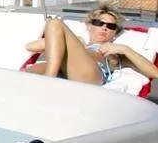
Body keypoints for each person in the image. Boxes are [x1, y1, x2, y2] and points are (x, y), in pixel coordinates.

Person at [24, 5, 158, 86]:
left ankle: (48, 82)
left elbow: (155, 73)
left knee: (55, 23)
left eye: (111, 26)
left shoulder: (115, 52)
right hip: (65, 71)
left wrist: (125, 49)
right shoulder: (79, 43)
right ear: (89, 26)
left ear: (115, 33)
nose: (104, 28)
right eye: (99, 23)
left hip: (92, 74)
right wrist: (71, 43)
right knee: (29, 72)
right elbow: (31, 47)